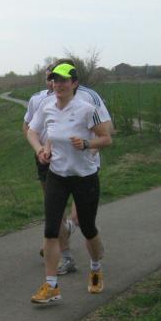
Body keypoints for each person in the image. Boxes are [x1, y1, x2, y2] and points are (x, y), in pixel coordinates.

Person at [26, 63, 112, 303]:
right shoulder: (46, 107)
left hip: (84, 177)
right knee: (51, 229)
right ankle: (51, 286)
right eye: (55, 80)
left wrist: (87, 144)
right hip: (57, 176)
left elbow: (106, 138)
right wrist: (41, 149)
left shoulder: (87, 109)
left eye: (64, 80)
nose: (58, 85)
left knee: (88, 228)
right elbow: (32, 131)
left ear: (75, 83)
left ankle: (95, 268)